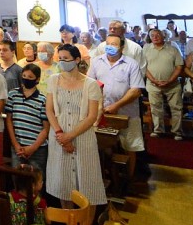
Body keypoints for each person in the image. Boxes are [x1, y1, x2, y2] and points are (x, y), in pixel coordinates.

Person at [45, 44, 108, 208]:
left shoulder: (90, 84)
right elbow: (49, 110)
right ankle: (68, 221)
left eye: (66, 58)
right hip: (58, 135)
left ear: (77, 59)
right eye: (60, 58)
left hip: (82, 135)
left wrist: (69, 136)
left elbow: (92, 116)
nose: (62, 62)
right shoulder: (53, 80)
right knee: (63, 181)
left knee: (87, 181)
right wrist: (61, 134)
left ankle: (85, 223)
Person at [88, 34, 146, 181]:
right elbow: (90, 84)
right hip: (102, 113)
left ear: (121, 47)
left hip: (127, 113)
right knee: (105, 145)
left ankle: (128, 180)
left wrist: (116, 105)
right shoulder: (96, 62)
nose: (110, 47)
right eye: (108, 43)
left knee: (130, 146)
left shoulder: (131, 64)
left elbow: (136, 90)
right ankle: (108, 177)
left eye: (114, 44)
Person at [5, 64, 49, 175]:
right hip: (18, 146)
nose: (26, 79)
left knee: (37, 178)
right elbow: (9, 120)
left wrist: (33, 147)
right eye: (24, 76)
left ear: (37, 79)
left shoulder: (42, 99)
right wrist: (16, 144)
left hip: (38, 149)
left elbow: (46, 128)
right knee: (17, 177)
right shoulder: (13, 94)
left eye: (30, 77)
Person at [144, 28, 185, 139]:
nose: (155, 37)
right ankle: (158, 130)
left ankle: (177, 131)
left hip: (172, 85)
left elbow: (179, 66)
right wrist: (154, 80)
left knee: (176, 108)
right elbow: (144, 67)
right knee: (155, 108)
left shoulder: (173, 49)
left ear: (163, 36)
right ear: (150, 37)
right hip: (153, 84)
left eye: (158, 35)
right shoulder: (146, 50)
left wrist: (170, 80)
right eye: (152, 35)